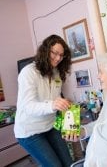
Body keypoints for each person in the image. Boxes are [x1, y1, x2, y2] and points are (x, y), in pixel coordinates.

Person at [14, 34, 73, 167]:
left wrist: (63, 103)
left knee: (68, 163)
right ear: (46, 50)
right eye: (55, 53)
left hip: (50, 125)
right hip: (30, 131)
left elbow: (54, 98)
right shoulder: (28, 73)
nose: (58, 58)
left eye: (61, 55)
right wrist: (53, 104)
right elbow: (28, 106)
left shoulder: (57, 73)